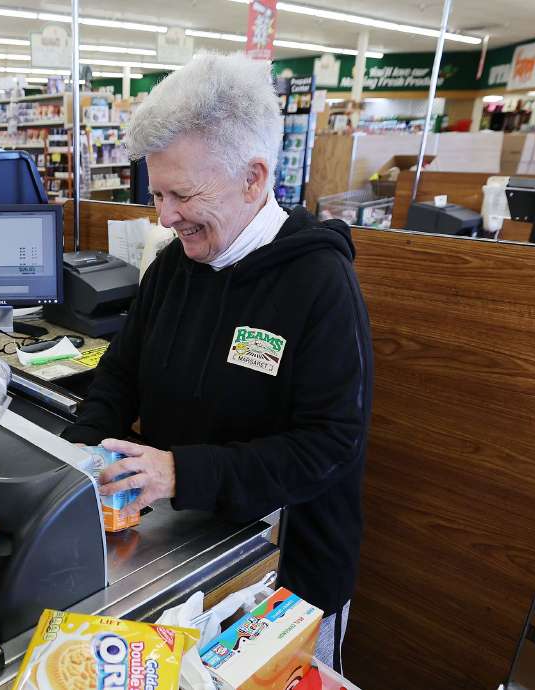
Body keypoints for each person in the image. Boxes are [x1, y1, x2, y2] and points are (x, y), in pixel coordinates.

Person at [61, 52, 373, 672]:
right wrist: (77, 457)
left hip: (289, 576)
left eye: (182, 193)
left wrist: (180, 472)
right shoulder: (174, 266)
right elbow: (120, 376)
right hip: (188, 547)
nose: (164, 216)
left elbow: (330, 445)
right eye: (156, 193)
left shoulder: (319, 282)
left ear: (254, 178)